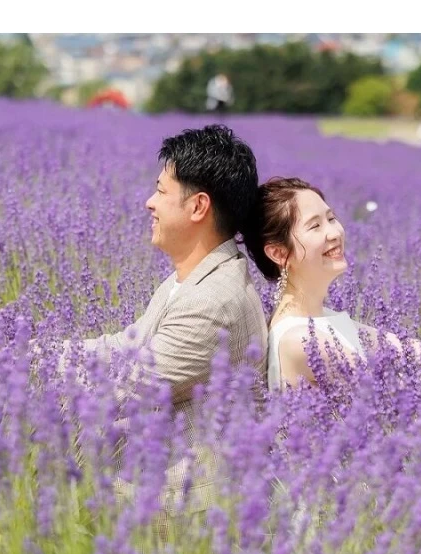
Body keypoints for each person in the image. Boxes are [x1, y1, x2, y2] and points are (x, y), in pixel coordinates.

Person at [54, 124, 268, 530]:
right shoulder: (191, 278)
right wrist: (33, 353)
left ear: (198, 206)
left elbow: (125, 383)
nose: (149, 202)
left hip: (184, 502)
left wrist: (15, 379)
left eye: (161, 191)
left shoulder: (213, 301)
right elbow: (126, 344)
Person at [241, 176, 421, 392]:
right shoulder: (300, 340)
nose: (334, 233)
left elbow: (408, 351)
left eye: (331, 218)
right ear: (279, 253)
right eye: (315, 226)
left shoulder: (322, 317)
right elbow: (397, 392)